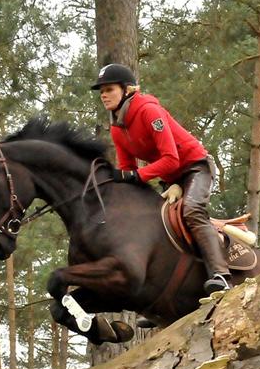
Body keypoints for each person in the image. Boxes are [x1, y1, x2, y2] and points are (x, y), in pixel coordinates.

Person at [91, 63, 231, 294]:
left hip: (196, 168)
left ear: (127, 90)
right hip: (171, 178)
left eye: (109, 89)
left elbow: (171, 159)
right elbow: (128, 169)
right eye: (101, 92)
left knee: (192, 210)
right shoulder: (117, 127)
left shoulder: (148, 111)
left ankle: (221, 276)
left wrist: (134, 175)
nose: (104, 95)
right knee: (152, 221)